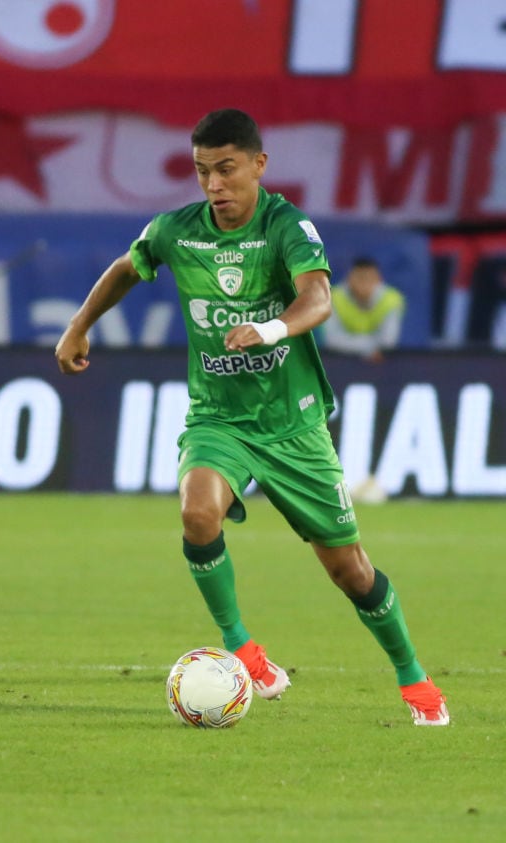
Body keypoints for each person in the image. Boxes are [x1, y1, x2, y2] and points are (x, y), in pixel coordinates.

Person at [55, 108, 448, 728]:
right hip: (219, 418)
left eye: (227, 169)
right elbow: (128, 267)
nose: (214, 184)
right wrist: (79, 326)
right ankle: (242, 649)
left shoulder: (286, 227)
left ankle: (413, 677)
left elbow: (318, 298)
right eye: (202, 171)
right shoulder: (176, 231)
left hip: (293, 428)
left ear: (259, 165)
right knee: (197, 513)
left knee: (349, 570)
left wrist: (269, 329)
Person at [323, 256, 405, 361]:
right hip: (342, 360)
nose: (364, 284)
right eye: (360, 278)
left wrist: (355, 344)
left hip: (379, 363)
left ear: (379, 280)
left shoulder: (392, 300)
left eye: (370, 279)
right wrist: (368, 348)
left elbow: (388, 342)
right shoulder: (332, 298)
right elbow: (331, 340)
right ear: (349, 278)